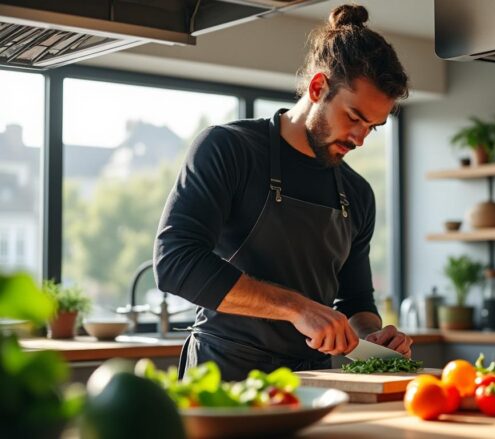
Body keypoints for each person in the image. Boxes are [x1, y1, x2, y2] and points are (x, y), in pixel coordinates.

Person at [153, 4, 412, 381]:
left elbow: (355, 302)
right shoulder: (229, 149)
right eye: (354, 117)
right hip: (224, 375)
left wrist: (373, 335)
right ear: (318, 87)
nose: (360, 138)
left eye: (372, 126)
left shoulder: (357, 193)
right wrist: (296, 307)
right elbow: (176, 262)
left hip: (314, 382)